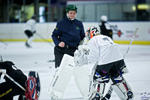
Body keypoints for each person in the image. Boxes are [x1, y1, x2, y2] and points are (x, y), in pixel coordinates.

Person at [74, 26, 134, 100]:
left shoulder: (93, 40)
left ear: (90, 34)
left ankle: (97, 95)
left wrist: (82, 61)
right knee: (117, 77)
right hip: (119, 60)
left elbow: (93, 57)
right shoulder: (106, 37)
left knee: (99, 78)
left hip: (106, 62)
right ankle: (128, 93)